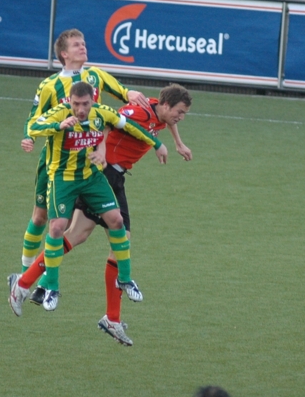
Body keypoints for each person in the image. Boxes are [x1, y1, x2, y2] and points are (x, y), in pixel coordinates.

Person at [10, 84, 192, 346]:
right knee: (114, 237)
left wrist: (177, 142)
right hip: (106, 173)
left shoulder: (159, 109)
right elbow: (108, 123)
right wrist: (103, 150)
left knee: (78, 235)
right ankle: (110, 316)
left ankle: (26, 284)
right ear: (165, 105)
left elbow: (164, 123)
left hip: (114, 176)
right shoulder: (137, 111)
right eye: (179, 112)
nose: (180, 117)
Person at [17, 29, 151, 275]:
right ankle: (24, 271)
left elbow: (121, 91)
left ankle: (44, 278)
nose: (83, 47)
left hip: (89, 162)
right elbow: (33, 119)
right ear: (63, 53)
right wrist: (28, 137)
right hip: (55, 161)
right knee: (40, 217)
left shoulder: (96, 75)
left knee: (67, 224)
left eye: (84, 43)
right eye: (77, 44)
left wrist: (130, 93)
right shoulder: (49, 85)